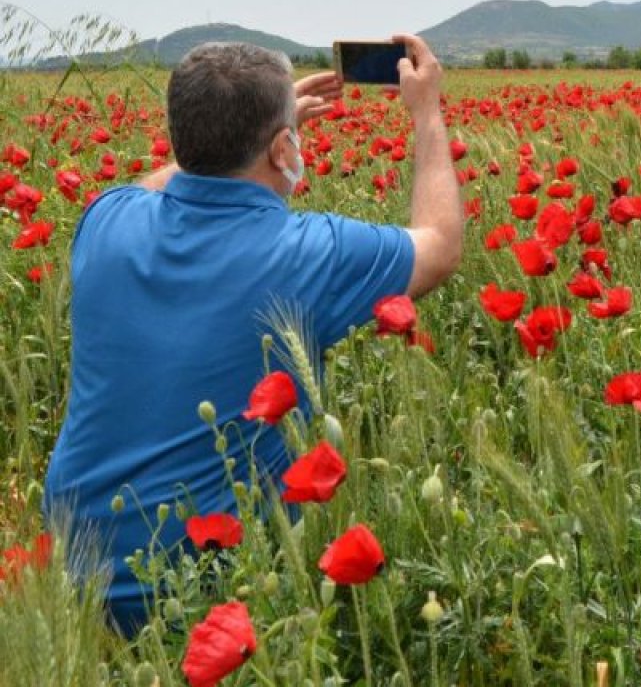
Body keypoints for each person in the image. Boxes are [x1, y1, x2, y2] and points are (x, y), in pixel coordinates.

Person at [42, 34, 463, 635]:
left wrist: (248, 133)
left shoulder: (103, 220)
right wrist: (426, 112)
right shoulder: (308, 252)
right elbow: (441, 245)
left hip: (67, 572)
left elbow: (165, 179)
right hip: (202, 595)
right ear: (283, 147)